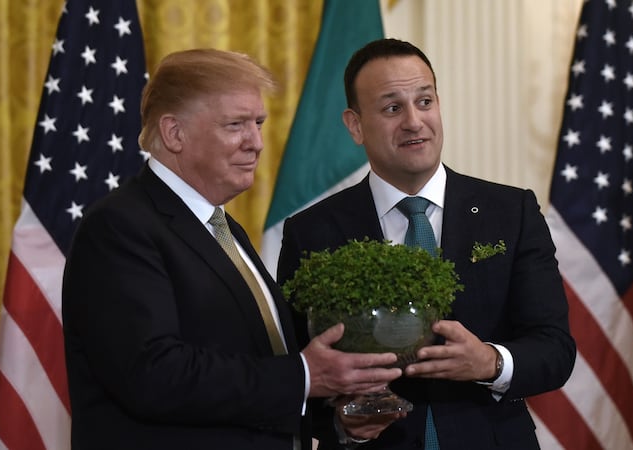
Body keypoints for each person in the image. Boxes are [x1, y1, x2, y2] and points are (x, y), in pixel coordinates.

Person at [61, 48, 403, 450]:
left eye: (258, 123)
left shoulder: (223, 229)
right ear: (174, 133)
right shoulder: (120, 226)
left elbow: (257, 365)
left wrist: (338, 421)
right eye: (235, 125)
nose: (256, 143)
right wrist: (305, 376)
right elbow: (153, 374)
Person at [277, 38, 577, 449]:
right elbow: (296, 372)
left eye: (425, 101)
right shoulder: (312, 231)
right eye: (392, 108)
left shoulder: (511, 212)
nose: (414, 122)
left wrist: (489, 362)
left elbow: (555, 350)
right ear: (355, 125)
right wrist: (343, 427)